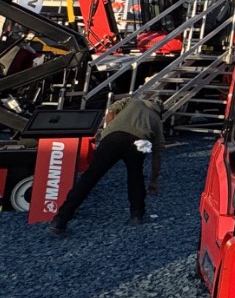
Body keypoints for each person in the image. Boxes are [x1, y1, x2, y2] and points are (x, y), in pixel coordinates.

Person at [48, 93, 164, 235]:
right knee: (136, 178)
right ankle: (137, 215)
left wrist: (108, 130)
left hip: (112, 138)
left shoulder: (132, 101)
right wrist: (153, 181)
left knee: (89, 178)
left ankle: (60, 220)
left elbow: (111, 110)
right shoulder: (157, 120)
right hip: (138, 142)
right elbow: (157, 154)